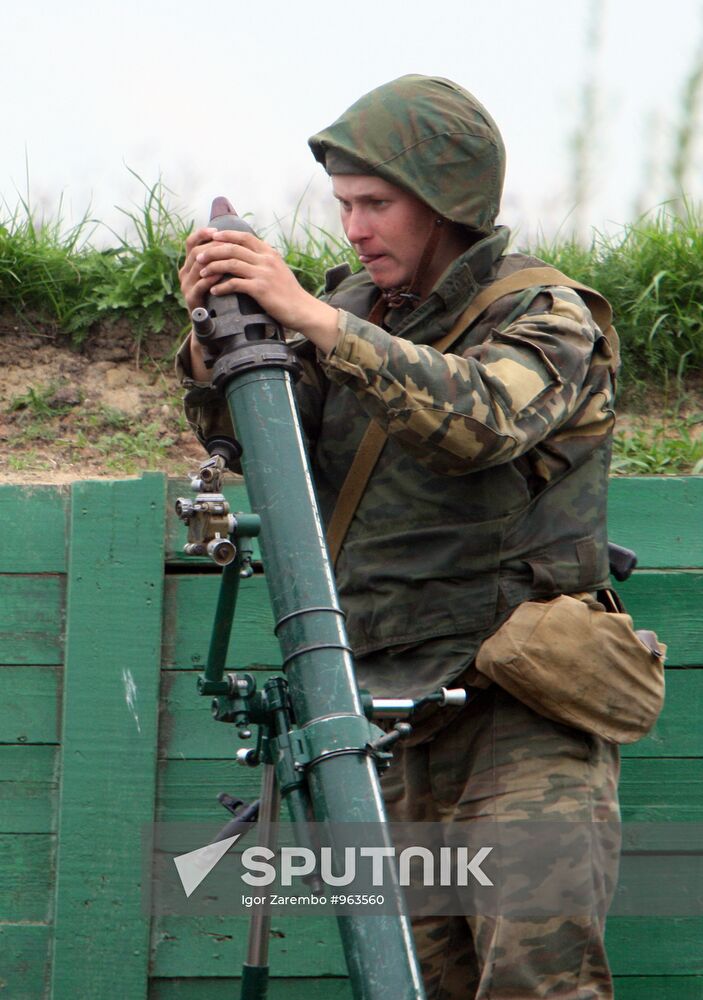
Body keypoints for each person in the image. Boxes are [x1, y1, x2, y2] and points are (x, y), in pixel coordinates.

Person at [177, 75, 621, 999]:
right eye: (343, 205)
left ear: (449, 204)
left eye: (376, 204)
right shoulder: (349, 311)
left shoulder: (545, 314)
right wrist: (215, 337)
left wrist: (313, 318)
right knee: (408, 985)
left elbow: (484, 420)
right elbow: (259, 444)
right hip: (381, 717)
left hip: (517, 710)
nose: (352, 230)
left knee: (535, 980)